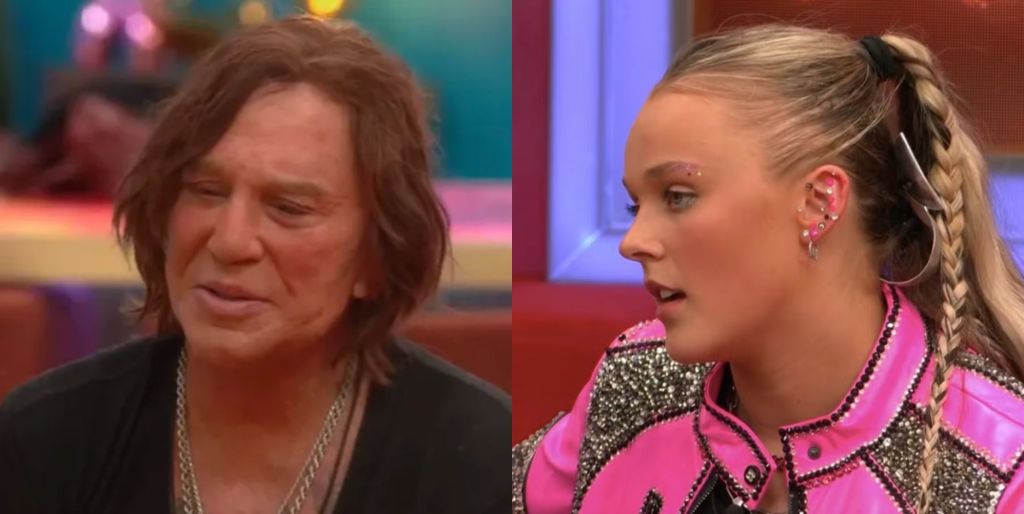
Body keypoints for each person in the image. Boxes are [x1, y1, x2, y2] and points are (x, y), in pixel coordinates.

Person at [0, 16, 509, 514]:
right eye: (207, 191)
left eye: (288, 208)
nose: (230, 241)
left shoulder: (477, 465)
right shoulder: (46, 442)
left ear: (376, 257)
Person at [513, 24, 1024, 513]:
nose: (633, 242)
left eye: (678, 196)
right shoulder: (632, 383)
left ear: (819, 202)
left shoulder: (1001, 467)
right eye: (635, 205)